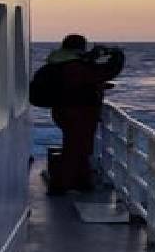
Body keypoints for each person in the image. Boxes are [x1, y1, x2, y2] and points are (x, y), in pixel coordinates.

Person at [44, 34, 125, 193]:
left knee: (78, 148)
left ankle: (82, 181)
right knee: (75, 149)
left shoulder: (59, 61)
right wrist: (117, 58)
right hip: (77, 113)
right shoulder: (74, 65)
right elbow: (101, 74)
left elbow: (79, 84)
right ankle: (60, 186)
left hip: (64, 111)